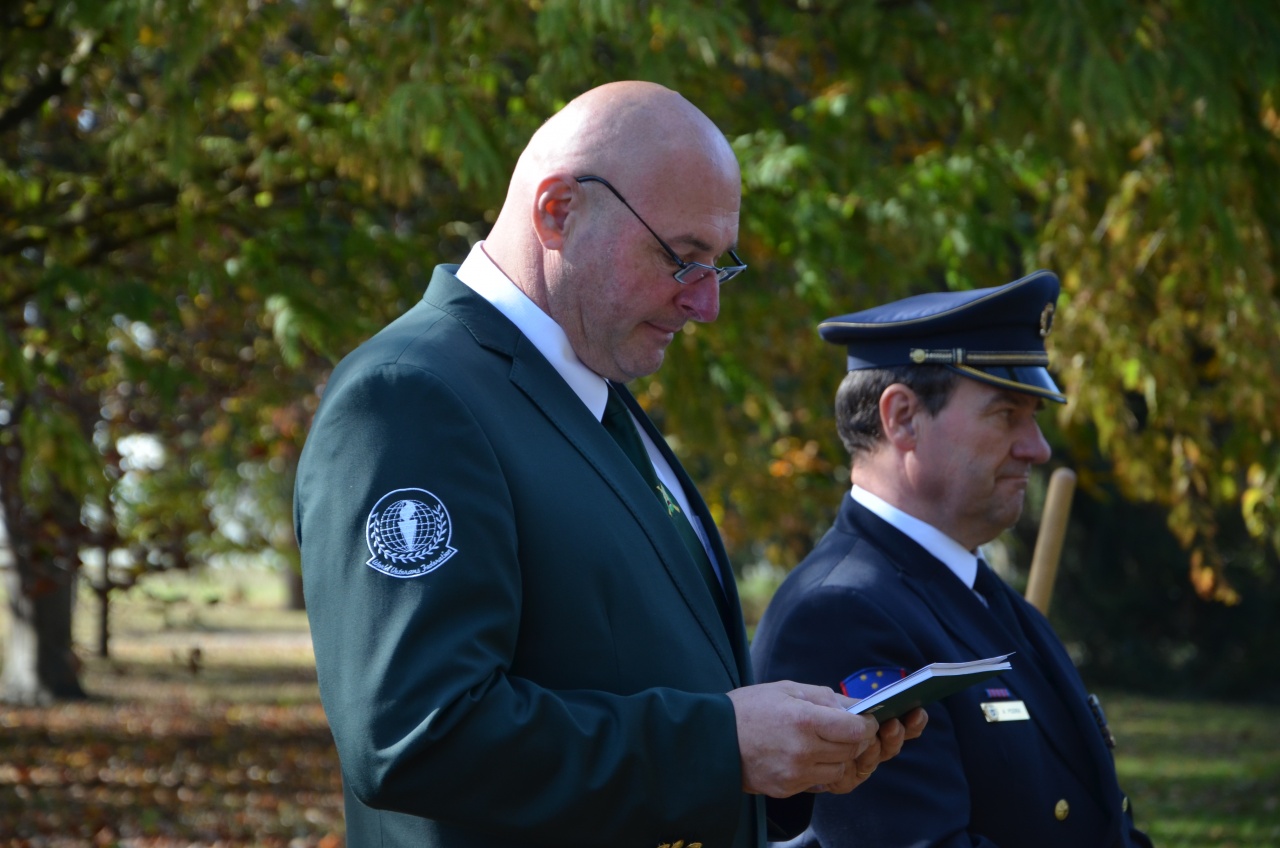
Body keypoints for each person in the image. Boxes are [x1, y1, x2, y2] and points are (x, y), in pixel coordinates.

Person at [294, 81, 925, 848]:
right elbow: (417, 734)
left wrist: (783, 762)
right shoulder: (411, 397)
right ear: (558, 211)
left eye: (718, 265)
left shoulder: (589, 393)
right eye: (682, 258)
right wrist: (719, 745)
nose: (705, 304)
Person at [751, 271, 1153, 847]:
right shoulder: (842, 615)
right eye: (1007, 413)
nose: (1037, 448)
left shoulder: (977, 592)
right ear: (902, 418)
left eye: (1035, 418)